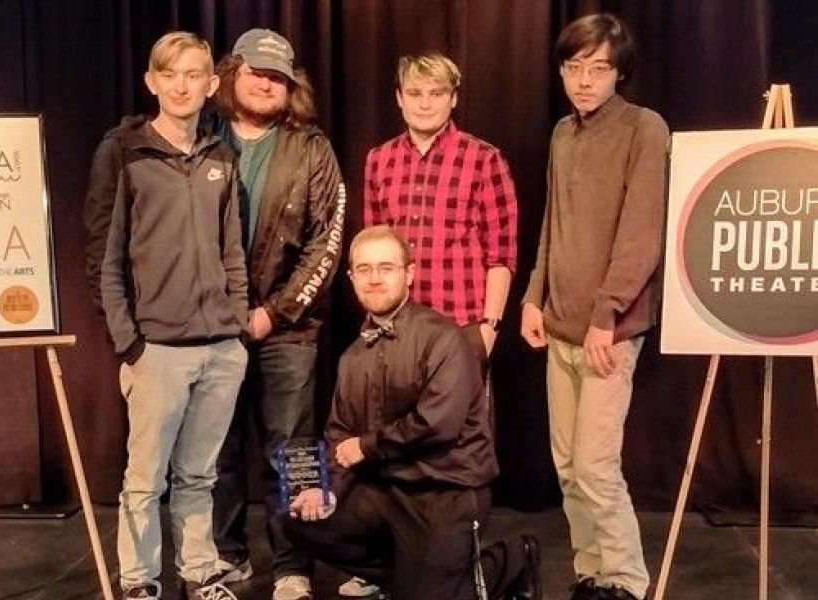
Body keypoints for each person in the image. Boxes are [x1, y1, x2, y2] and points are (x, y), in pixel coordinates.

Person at [282, 225, 541, 600]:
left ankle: (511, 560)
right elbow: (339, 436)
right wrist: (326, 490)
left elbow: (439, 424)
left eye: (386, 268)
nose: (374, 279)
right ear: (352, 278)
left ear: (410, 273)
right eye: (364, 270)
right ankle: (413, 575)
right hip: (388, 489)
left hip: (446, 491)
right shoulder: (353, 356)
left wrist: (367, 447)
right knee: (297, 521)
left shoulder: (445, 338)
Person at [83, 31, 248, 600]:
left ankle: (199, 570)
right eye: (170, 74)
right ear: (152, 82)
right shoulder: (124, 152)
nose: (182, 85)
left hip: (222, 346)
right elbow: (102, 253)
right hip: (156, 350)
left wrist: (239, 322)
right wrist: (130, 342)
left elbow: (233, 251)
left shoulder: (221, 156)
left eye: (194, 74)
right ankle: (139, 580)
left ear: (212, 84)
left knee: (199, 475)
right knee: (145, 480)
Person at [520, 13, 668, 600]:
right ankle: (592, 575)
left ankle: (627, 582)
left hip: (609, 329)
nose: (584, 80)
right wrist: (534, 297)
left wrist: (608, 313)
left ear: (619, 73)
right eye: (574, 67)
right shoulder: (562, 132)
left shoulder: (644, 128)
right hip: (559, 327)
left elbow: (642, 234)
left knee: (596, 469)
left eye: (598, 68)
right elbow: (552, 224)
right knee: (566, 468)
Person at [208, 28, 346, 600]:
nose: (266, 84)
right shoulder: (201, 137)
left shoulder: (311, 147)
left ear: (292, 87)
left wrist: (275, 312)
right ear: (231, 74)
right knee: (215, 451)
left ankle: (292, 565)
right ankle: (227, 555)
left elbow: (328, 242)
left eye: (278, 77)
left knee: (291, 450)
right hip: (208, 328)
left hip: (288, 329)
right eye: (256, 72)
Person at [362, 52, 518, 369]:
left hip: (461, 325)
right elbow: (373, 249)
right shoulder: (379, 160)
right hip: (395, 323)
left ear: (454, 98)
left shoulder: (484, 159)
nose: (425, 104)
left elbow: (501, 255)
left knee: (462, 419)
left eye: (437, 93)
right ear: (399, 98)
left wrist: (489, 326)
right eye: (415, 93)